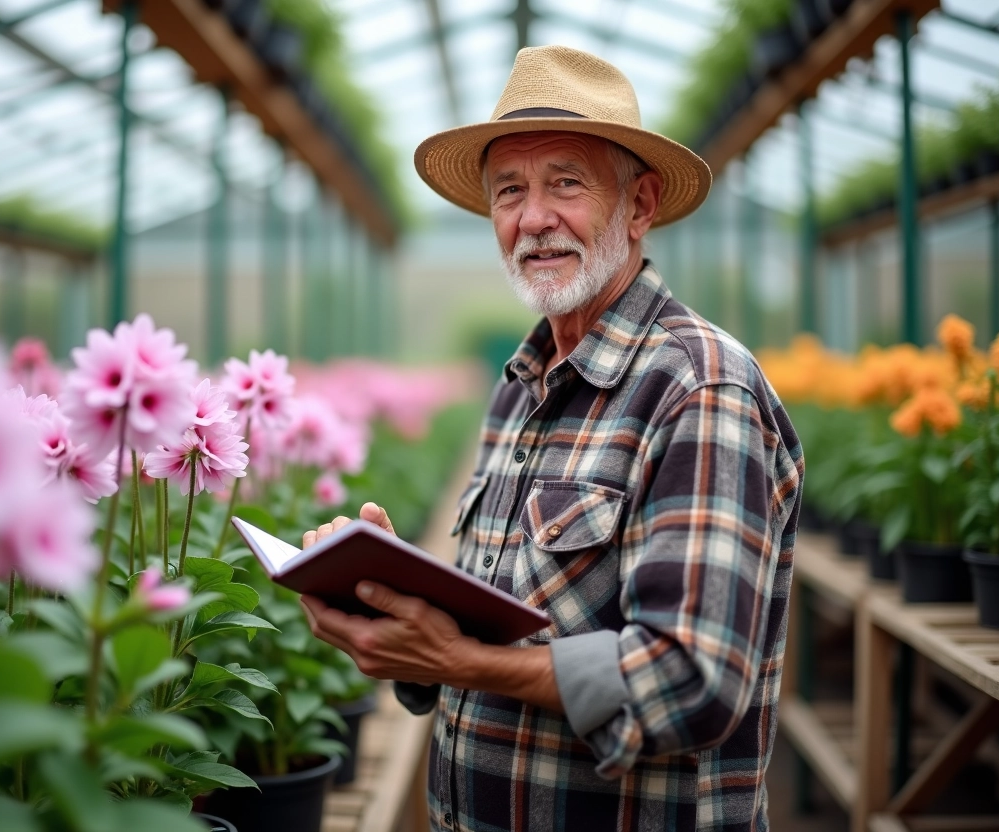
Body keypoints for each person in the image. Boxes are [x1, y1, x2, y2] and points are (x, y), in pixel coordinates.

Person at [299, 45, 803, 831]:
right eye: (509, 191)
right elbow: (513, 618)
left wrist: (463, 662)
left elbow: (693, 680)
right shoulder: (519, 386)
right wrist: (395, 595)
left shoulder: (699, 387)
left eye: (565, 182)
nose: (533, 219)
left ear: (639, 205)